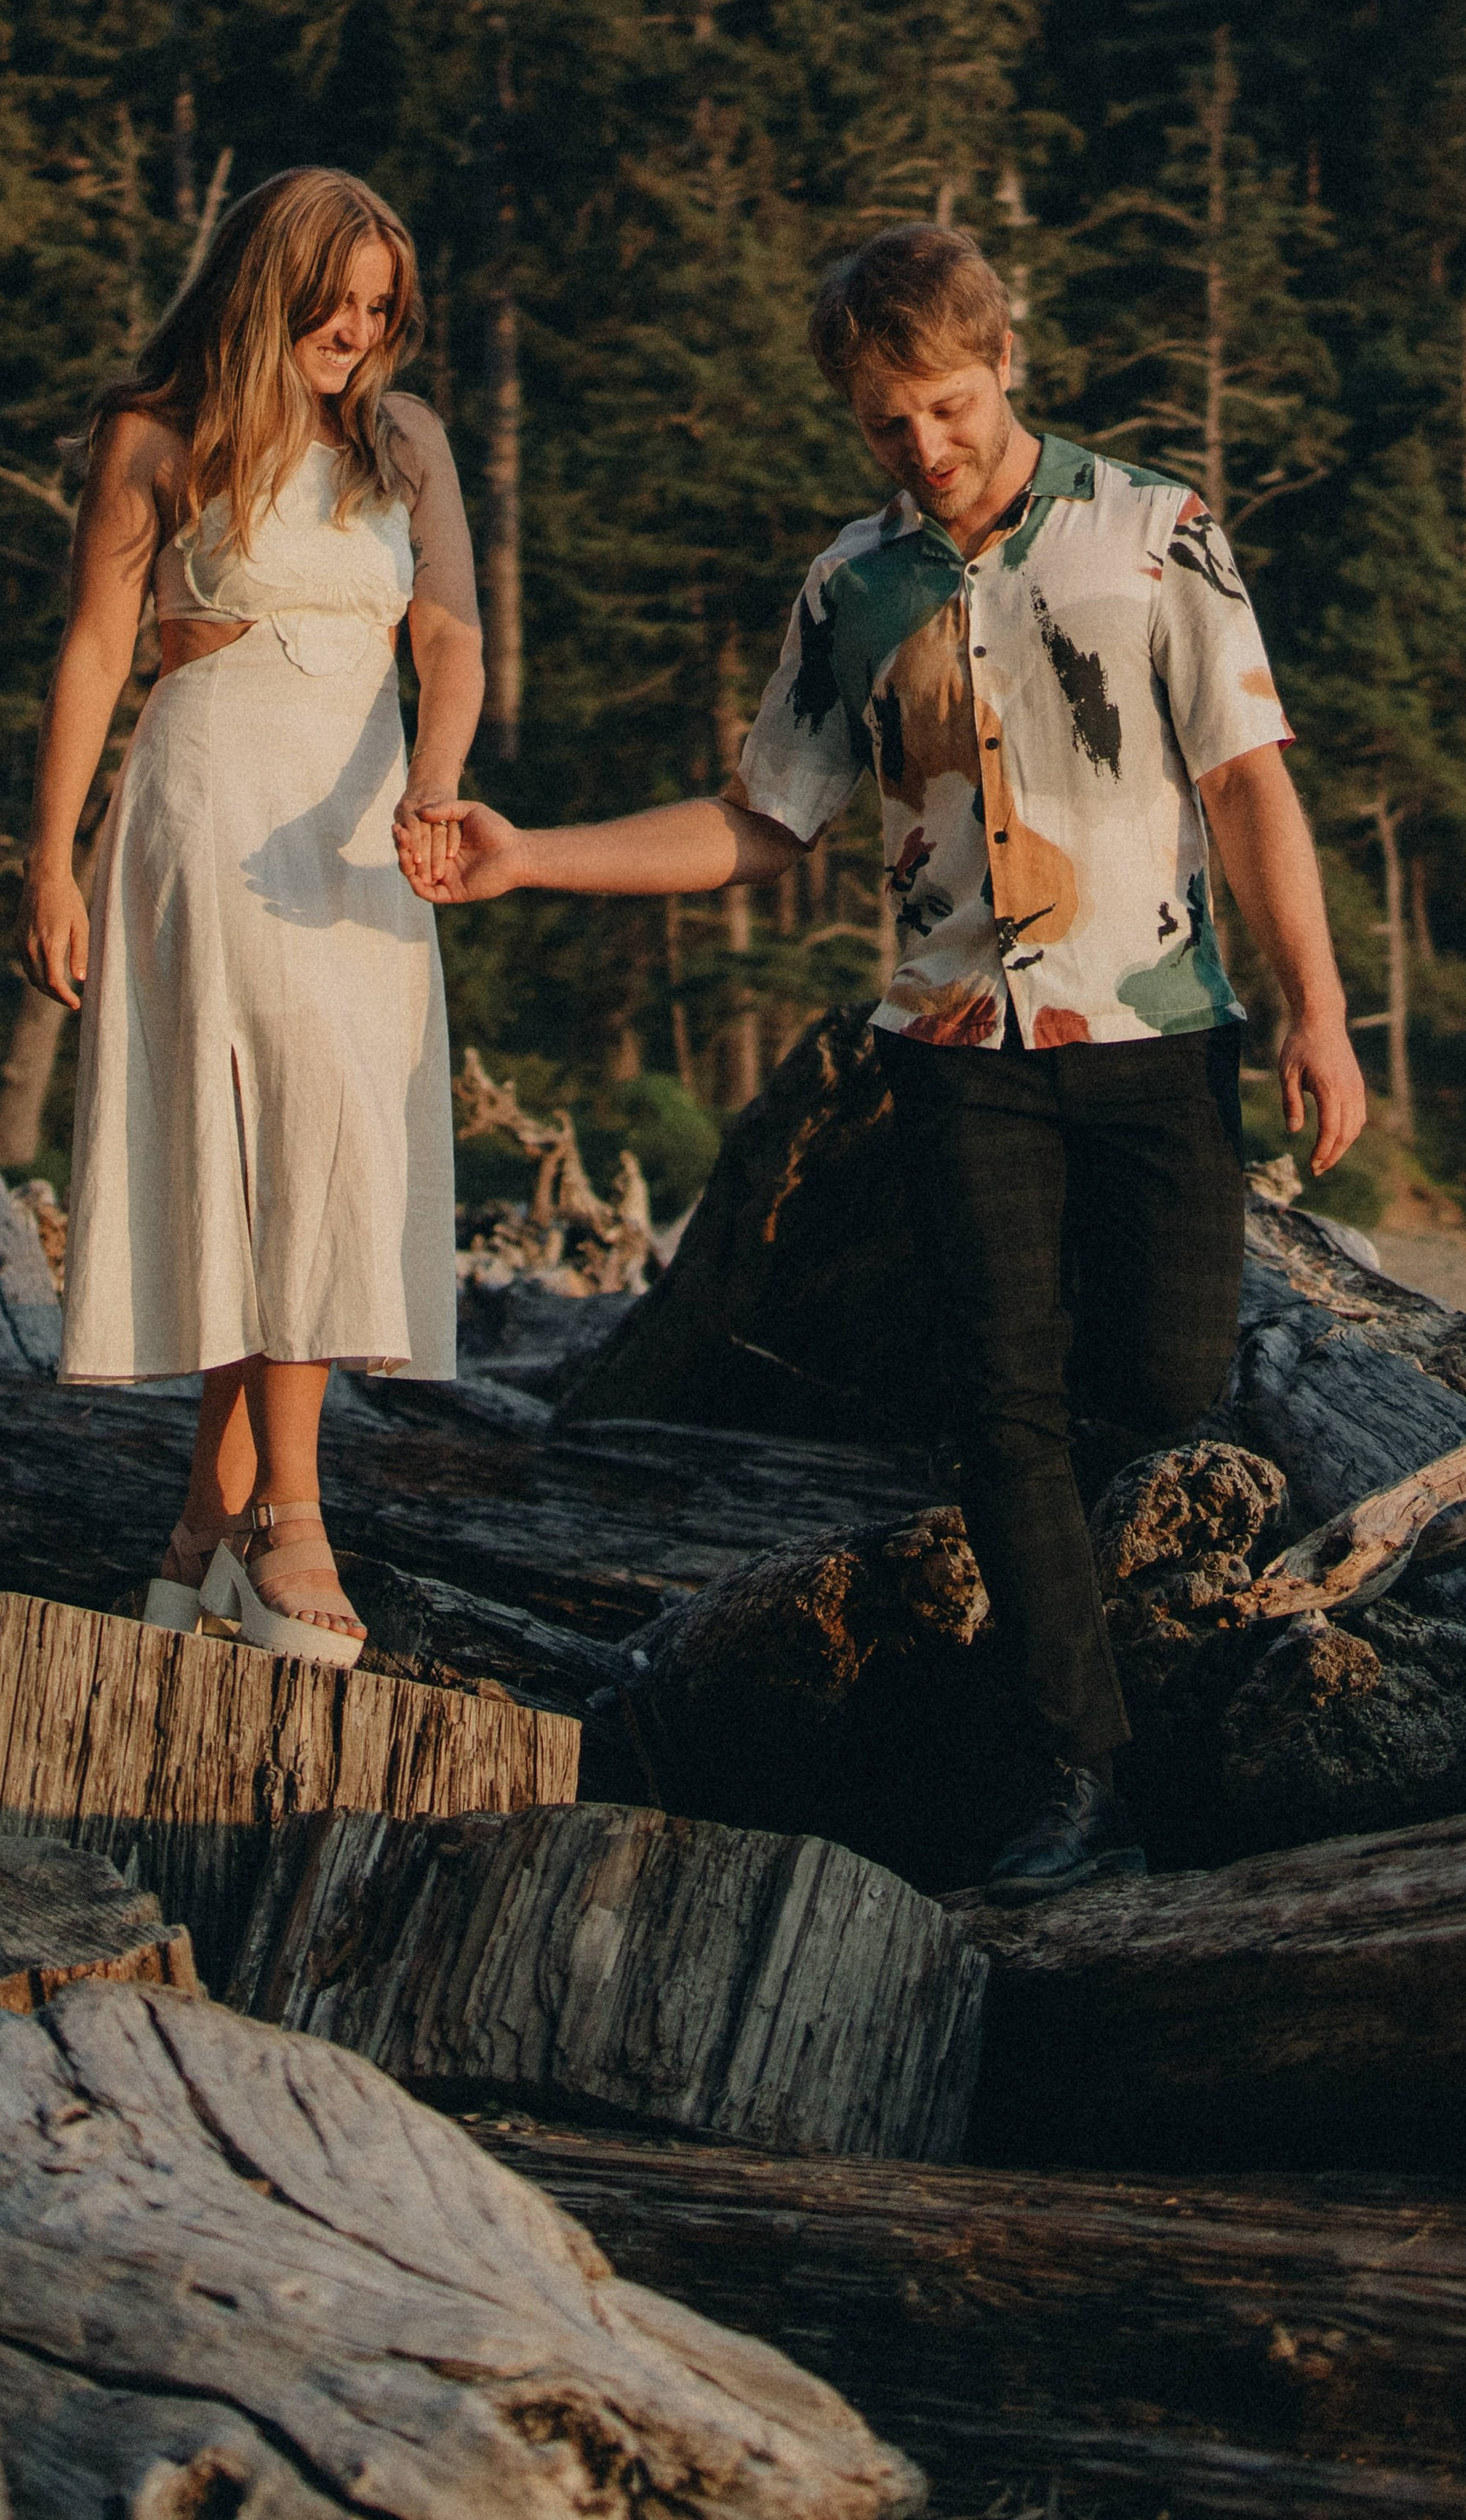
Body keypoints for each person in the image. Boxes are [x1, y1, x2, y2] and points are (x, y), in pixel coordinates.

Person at [398, 221, 1365, 1897]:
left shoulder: (1155, 534)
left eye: (942, 404)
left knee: (1160, 1378)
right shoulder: (853, 588)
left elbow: (1249, 782)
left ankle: (1058, 1637)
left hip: (1155, 1027)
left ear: (999, 359)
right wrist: (524, 850)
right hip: (954, 1043)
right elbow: (756, 823)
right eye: (882, 423)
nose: (921, 446)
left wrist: (1319, 1009)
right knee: (997, 1405)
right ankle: (1077, 1775)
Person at [20, 165, 482, 1666]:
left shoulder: (403, 443)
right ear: (262, 284)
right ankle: (294, 1509)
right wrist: (48, 860)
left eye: (377, 309)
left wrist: (437, 782)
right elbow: (98, 652)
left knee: (333, 1122)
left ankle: (203, 1524)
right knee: (254, 1125)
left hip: (357, 814)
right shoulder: (157, 434)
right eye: (331, 302)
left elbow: (456, 646)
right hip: (209, 792)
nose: (353, 332)